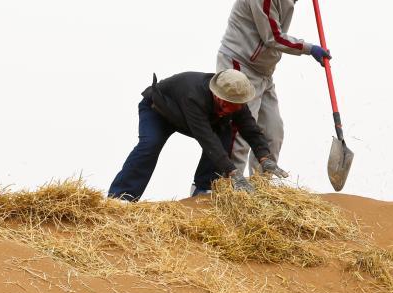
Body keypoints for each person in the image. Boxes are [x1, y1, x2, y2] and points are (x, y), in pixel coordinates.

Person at [197, 0, 329, 196]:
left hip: (264, 70)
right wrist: (308, 48)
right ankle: (230, 191)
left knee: (273, 130)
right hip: (241, 63)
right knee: (240, 132)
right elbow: (273, 37)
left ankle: (260, 189)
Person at [108, 69, 288, 201]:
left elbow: (251, 129)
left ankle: (203, 189)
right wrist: (233, 172)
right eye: (226, 106)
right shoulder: (194, 96)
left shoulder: (237, 102)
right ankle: (121, 196)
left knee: (224, 133)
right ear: (217, 96)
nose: (230, 110)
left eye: (235, 107)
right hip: (159, 111)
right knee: (150, 144)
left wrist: (265, 157)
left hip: (191, 119)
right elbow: (206, 139)